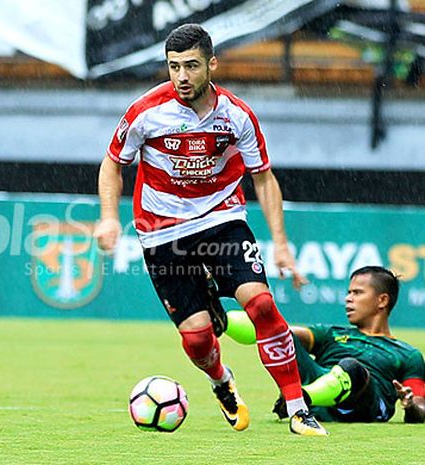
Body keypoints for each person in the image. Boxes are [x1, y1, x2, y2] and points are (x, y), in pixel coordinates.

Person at [93, 23, 326, 436]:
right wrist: (109, 217)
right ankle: (222, 381)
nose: (181, 77)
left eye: (191, 66)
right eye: (174, 67)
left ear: (212, 64)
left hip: (222, 220)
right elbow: (113, 163)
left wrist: (282, 244)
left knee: (261, 305)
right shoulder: (146, 111)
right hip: (162, 231)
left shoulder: (237, 115)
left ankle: (296, 406)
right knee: (199, 339)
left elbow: (264, 177)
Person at [226, 266, 425, 423]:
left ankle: (300, 400)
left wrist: (410, 406)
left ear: (382, 300)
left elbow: (420, 407)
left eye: (357, 293)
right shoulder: (331, 333)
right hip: (321, 397)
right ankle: (220, 322)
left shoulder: (407, 354)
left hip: (364, 406)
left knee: (352, 367)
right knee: (281, 334)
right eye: (349, 292)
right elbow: (279, 332)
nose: (348, 298)